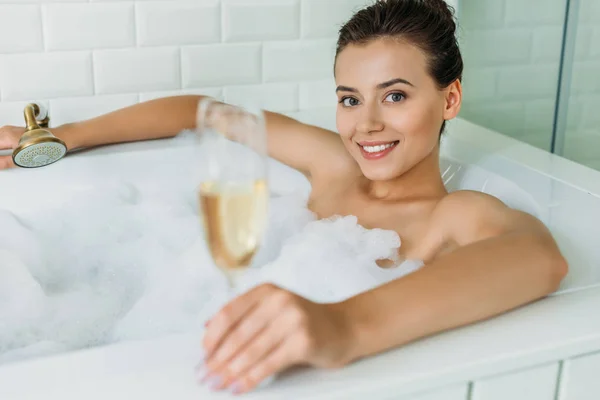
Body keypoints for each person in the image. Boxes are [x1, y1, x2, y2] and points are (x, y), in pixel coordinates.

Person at [0, 0, 567, 395]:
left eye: (394, 95)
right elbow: (204, 113)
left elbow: (539, 258)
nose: (366, 124)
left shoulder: (454, 214)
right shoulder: (333, 164)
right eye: (349, 99)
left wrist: (342, 326)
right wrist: (61, 137)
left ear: (449, 100)